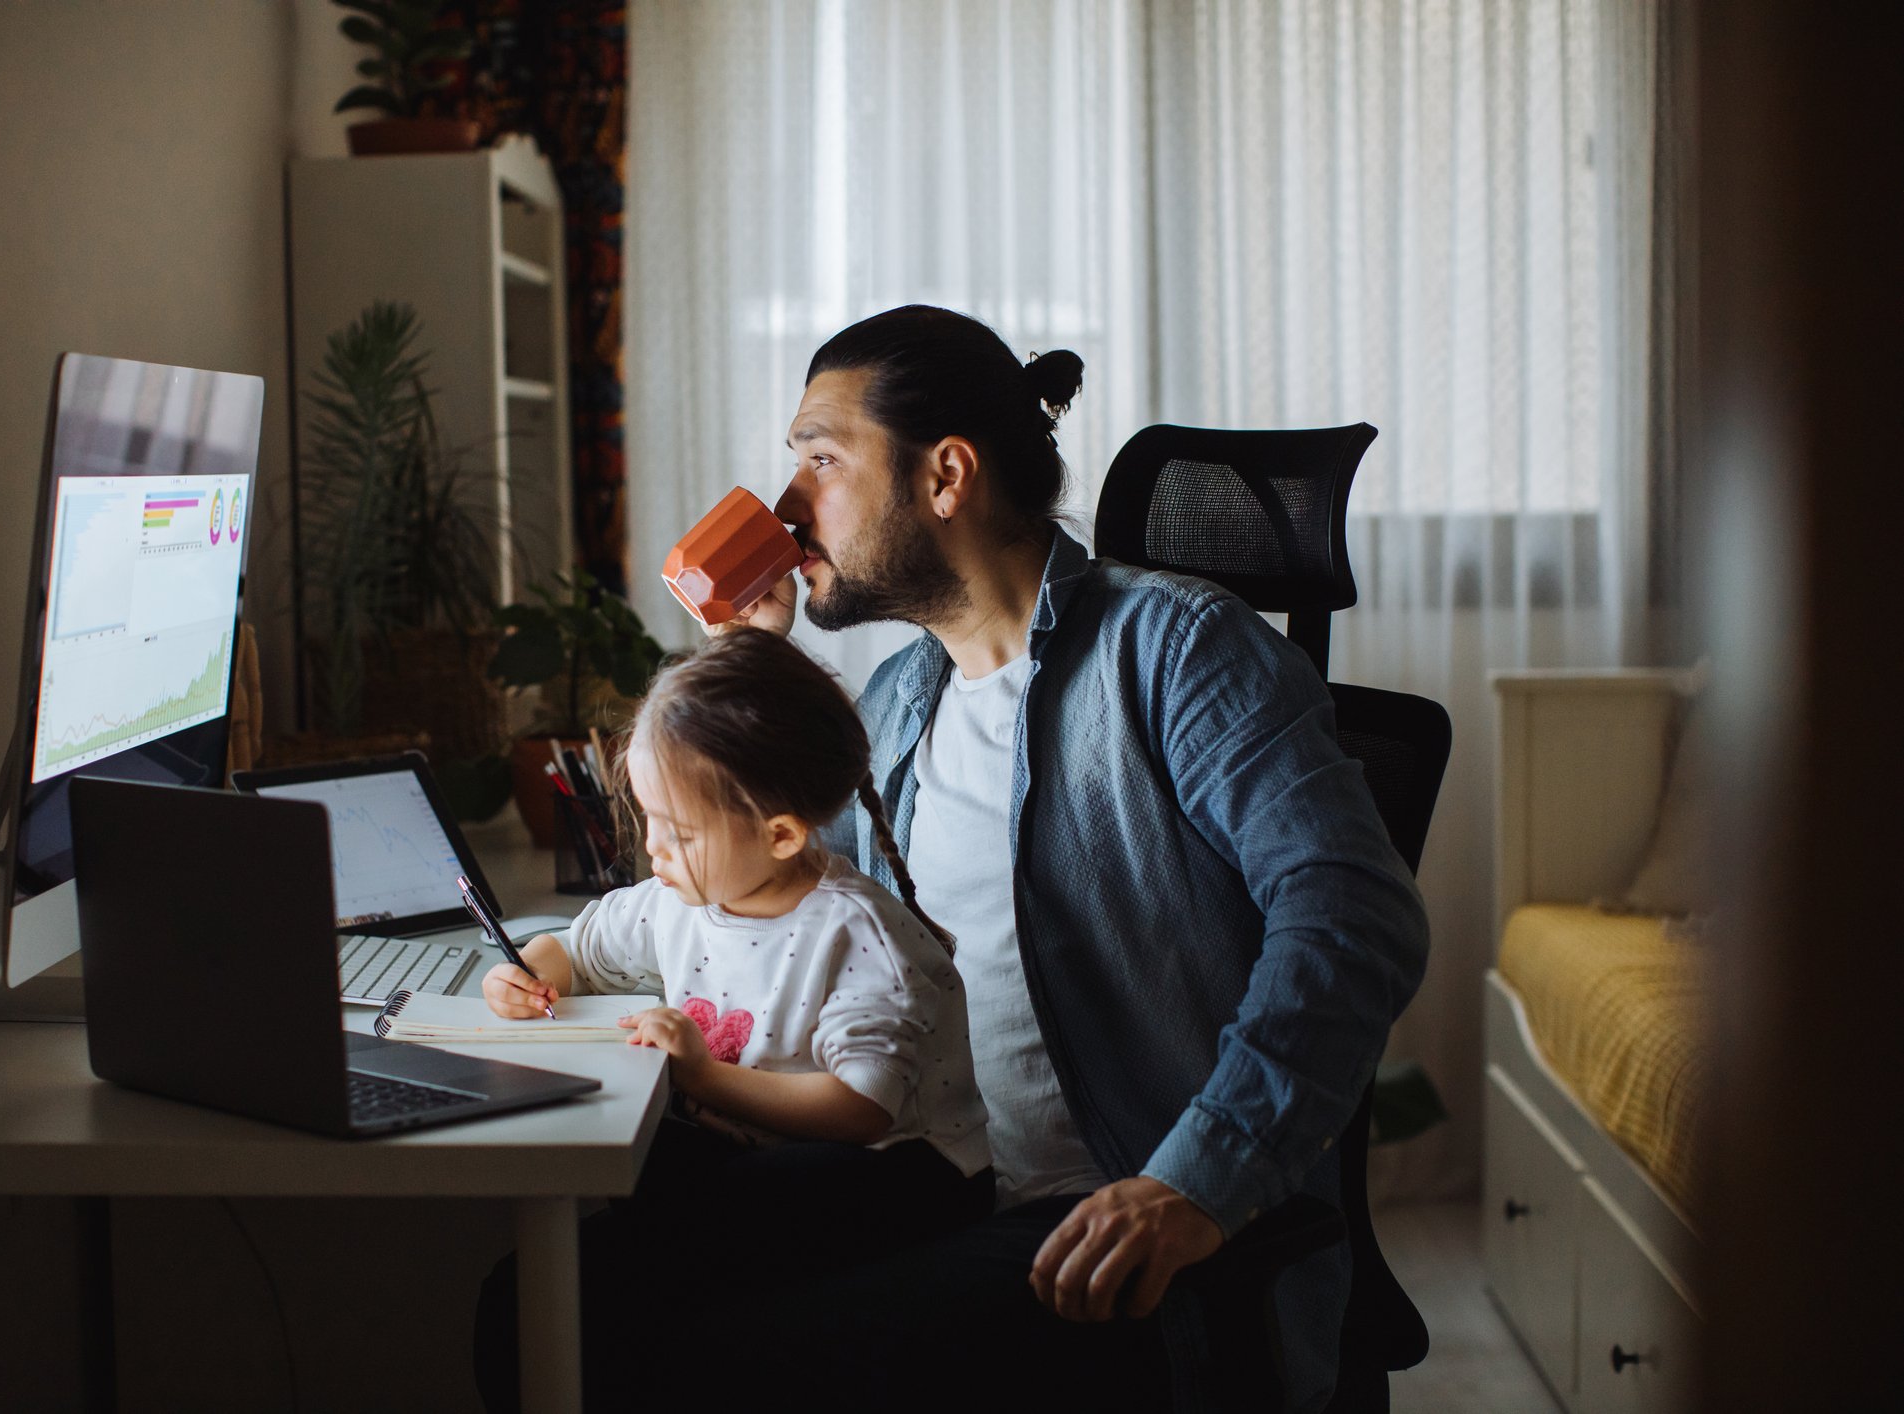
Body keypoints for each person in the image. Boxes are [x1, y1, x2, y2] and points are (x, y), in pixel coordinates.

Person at [726, 304, 1430, 1411]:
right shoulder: (901, 700)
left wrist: (1195, 1183)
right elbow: (785, 925)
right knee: (579, 1282)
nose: (783, 507)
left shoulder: (1178, 650)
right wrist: (748, 674)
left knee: (744, 1366)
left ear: (945, 476)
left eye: (820, 460)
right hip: (943, 1180)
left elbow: (1354, 919)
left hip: (1109, 1231)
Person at [473, 627, 992, 1409]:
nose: (653, 850)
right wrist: (525, 974)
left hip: (895, 1172)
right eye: (649, 819)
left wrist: (702, 1075)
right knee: (565, 1254)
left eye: (678, 833)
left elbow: (861, 1108)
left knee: (575, 1286)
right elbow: (576, 947)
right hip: (758, 1149)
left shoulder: (854, 935)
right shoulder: (683, 896)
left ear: (779, 835)